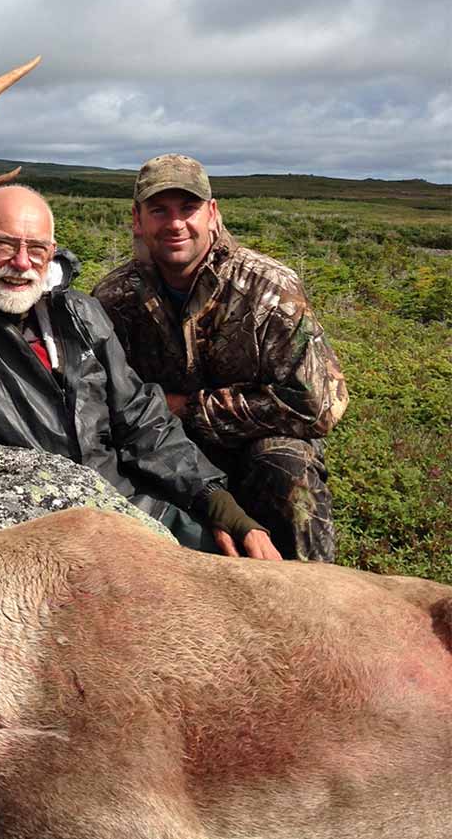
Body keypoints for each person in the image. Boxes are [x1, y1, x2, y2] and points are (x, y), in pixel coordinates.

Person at [0, 184, 282, 560]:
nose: (20, 262)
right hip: (34, 534)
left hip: (130, 508)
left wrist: (215, 501)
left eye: (36, 249)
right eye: (3, 244)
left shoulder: (82, 314)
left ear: (51, 254)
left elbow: (141, 420)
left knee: (248, 577)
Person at [92, 154, 348, 562]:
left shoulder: (269, 289)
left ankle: (315, 592)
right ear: (138, 220)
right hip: (164, 451)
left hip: (256, 456)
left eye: (188, 209)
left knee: (287, 463)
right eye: (159, 210)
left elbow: (318, 406)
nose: (175, 224)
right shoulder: (113, 297)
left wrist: (186, 408)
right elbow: (104, 401)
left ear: (212, 213)